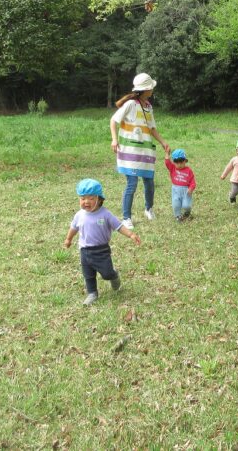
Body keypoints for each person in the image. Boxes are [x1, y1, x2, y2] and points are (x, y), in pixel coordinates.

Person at [64, 178, 140, 306]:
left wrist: (131, 234)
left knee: (107, 273)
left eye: (91, 198)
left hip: (101, 251)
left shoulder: (105, 214)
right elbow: (73, 228)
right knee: (88, 275)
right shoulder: (79, 215)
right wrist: (68, 239)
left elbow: (118, 226)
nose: (86, 202)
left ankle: (113, 275)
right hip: (84, 250)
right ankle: (92, 293)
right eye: (82, 198)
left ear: (99, 199)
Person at [110, 73, 170, 229]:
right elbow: (113, 121)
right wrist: (114, 139)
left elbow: (152, 128)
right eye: (151, 87)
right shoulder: (130, 104)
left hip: (145, 151)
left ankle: (149, 209)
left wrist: (163, 142)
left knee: (149, 182)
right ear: (146, 89)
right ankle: (126, 218)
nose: (152, 90)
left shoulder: (148, 107)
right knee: (132, 184)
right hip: (129, 152)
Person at [164, 148, 196, 221]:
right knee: (176, 204)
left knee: (186, 205)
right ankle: (178, 216)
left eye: (181, 162)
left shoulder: (188, 170)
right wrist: (167, 153)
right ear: (174, 162)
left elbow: (193, 182)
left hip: (186, 191)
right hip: (175, 190)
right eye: (177, 163)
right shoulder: (173, 168)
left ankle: (187, 212)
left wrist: (191, 188)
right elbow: (167, 163)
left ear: (185, 161)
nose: (179, 165)